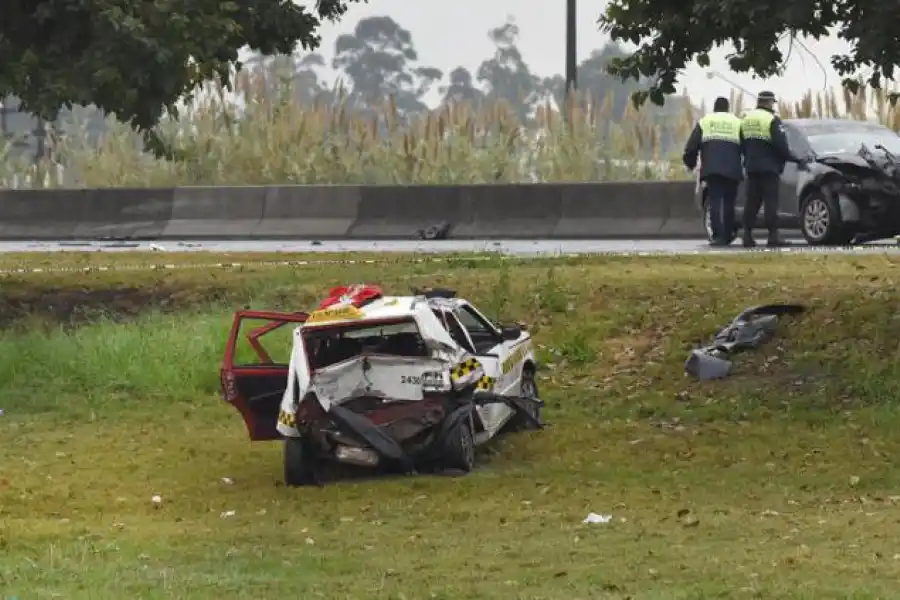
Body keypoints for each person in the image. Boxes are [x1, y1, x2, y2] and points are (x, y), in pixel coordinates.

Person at [739, 91, 808, 247]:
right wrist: (795, 158)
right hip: (769, 168)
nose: (773, 105)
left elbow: (742, 144)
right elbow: (781, 145)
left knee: (752, 203)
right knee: (771, 202)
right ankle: (773, 236)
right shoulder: (771, 120)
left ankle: (747, 235)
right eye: (772, 102)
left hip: (751, 167)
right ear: (769, 102)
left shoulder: (746, 120)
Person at [683, 96, 743, 246]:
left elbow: (691, 146)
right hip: (732, 169)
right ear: (728, 108)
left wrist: (690, 164)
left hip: (712, 168)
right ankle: (728, 234)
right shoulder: (737, 122)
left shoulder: (705, 122)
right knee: (729, 202)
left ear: (714, 108)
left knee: (715, 201)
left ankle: (717, 235)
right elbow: (747, 146)